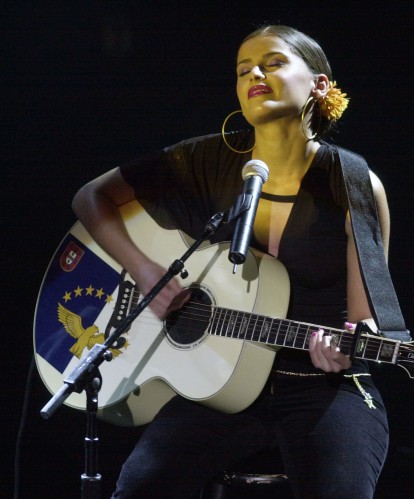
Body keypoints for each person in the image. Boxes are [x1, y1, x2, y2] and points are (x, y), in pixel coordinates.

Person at [72, 24, 391, 499]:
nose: (255, 74)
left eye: (274, 63)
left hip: (321, 388)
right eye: (244, 69)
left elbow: (365, 320)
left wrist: (347, 345)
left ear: (319, 84)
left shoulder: (354, 183)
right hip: (219, 381)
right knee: (141, 487)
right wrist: (145, 271)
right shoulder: (204, 159)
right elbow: (91, 198)